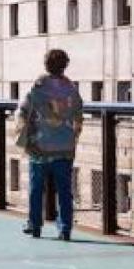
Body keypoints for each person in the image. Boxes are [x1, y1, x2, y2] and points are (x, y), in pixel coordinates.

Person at [17, 49, 83, 241]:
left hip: (40, 146)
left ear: (46, 65)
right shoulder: (72, 89)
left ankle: (35, 224)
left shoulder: (38, 87)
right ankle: (65, 228)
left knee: (37, 187)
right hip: (64, 148)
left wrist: (25, 134)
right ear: (65, 66)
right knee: (64, 189)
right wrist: (72, 137)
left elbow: (24, 110)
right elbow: (78, 114)